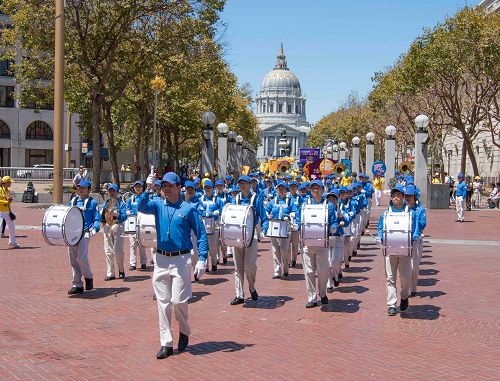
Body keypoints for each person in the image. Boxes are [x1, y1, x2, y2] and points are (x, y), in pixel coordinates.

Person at [137, 172, 208, 360]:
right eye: (163, 185)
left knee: (178, 301)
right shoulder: (157, 205)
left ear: (178, 187)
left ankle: (184, 330)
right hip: (160, 259)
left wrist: (202, 259)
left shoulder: (189, 209)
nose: (166, 188)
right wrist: (148, 188)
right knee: (163, 303)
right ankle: (166, 343)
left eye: (170, 185)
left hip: (181, 260)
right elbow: (141, 206)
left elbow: (200, 234)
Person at [377, 184, 420, 316]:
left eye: (399, 195)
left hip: (405, 250)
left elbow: (416, 229)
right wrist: (380, 237)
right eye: (394, 195)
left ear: (403, 197)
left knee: (405, 277)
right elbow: (380, 228)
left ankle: (404, 296)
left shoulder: (410, 213)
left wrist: (415, 236)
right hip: (390, 250)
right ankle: (391, 304)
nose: (396, 197)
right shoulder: (385, 214)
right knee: (390, 277)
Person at [299, 180, 340, 308]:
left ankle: (322, 293)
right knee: (309, 271)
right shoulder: (305, 203)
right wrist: (295, 223)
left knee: (323, 271)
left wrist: (334, 227)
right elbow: (299, 219)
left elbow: (333, 220)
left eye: (317, 188)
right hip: (307, 242)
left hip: (323, 242)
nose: (315, 191)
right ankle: (312, 297)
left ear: (322, 190)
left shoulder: (328, 205)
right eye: (313, 188)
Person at [229, 175, 268, 305]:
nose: (242, 186)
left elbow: (263, 216)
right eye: (240, 183)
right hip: (237, 235)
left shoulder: (255, 198)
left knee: (250, 265)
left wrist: (264, 230)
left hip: (251, 235)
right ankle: (239, 294)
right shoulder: (236, 198)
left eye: (244, 183)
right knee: (238, 266)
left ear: (250, 184)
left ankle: (252, 287)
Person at [67, 180, 100, 294]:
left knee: (81, 257)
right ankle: (77, 284)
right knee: (73, 259)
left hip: (85, 232)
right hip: (72, 233)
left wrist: (95, 228)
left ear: (89, 190)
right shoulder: (73, 201)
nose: (81, 190)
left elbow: (97, 217)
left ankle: (88, 276)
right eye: (79, 187)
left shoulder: (92, 203)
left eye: (84, 188)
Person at [265, 181, 297, 279]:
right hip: (274, 227)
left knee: (284, 250)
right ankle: (277, 271)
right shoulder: (273, 201)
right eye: (279, 189)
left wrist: (292, 215)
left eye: (283, 189)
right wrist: (267, 215)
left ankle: (285, 269)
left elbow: (294, 211)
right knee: (275, 250)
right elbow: (267, 210)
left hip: (285, 227)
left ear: (285, 190)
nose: (281, 191)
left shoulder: (289, 201)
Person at [101, 184, 127, 280]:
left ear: (117, 192)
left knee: (118, 250)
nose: (111, 193)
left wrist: (119, 215)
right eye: (110, 191)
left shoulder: (121, 203)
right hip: (108, 226)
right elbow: (103, 214)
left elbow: (125, 216)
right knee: (108, 250)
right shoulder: (106, 202)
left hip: (118, 225)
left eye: (113, 191)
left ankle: (121, 269)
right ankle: (110, 273)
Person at [404, 185, 426, 297]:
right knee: (405, 267)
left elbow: (423, 224)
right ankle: (406, 289)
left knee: (414, 267)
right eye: (406, 195)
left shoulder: (420, 210)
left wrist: (414, 217)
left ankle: (413, 288)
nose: (407, 198)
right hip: (404, 241)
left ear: (414, 196)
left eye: (409, 196)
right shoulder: (402, 209)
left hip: (416, 241)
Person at [198, 180, 224, 272]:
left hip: (214, 223)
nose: (207, 189)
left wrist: (218, 212)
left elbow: (223, 209)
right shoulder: (201, 199)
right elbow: (198, 209)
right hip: (204, 222)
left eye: (209, 188)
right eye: (206, 188)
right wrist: (202, 213)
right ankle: (206, 265)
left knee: (213, 246)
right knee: (204, 245)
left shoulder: (218, 199)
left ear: (213, 189)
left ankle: (214, 263)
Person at [127, 180, 147, 271]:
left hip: (142, 222)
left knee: (141, 243)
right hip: (132, 222)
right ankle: (133, 263)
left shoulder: (145, 197)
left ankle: (143, 262)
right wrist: (128, 212)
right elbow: (128, 209)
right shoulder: (131, 198)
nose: (137, 188)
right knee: (132, 244)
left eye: (139, 186)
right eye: (136, 186)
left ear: (143, 188)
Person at [0, 176, 20, 248]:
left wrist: (10, 200)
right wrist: (6, 201)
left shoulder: (8, 191)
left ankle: (12, 242)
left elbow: (9, 202)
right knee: (0, 227)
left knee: (12, 226)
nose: (11, 183)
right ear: (6, 183)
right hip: (0, 212)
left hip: (7, 211)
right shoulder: (0, 190)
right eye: (10, 182)